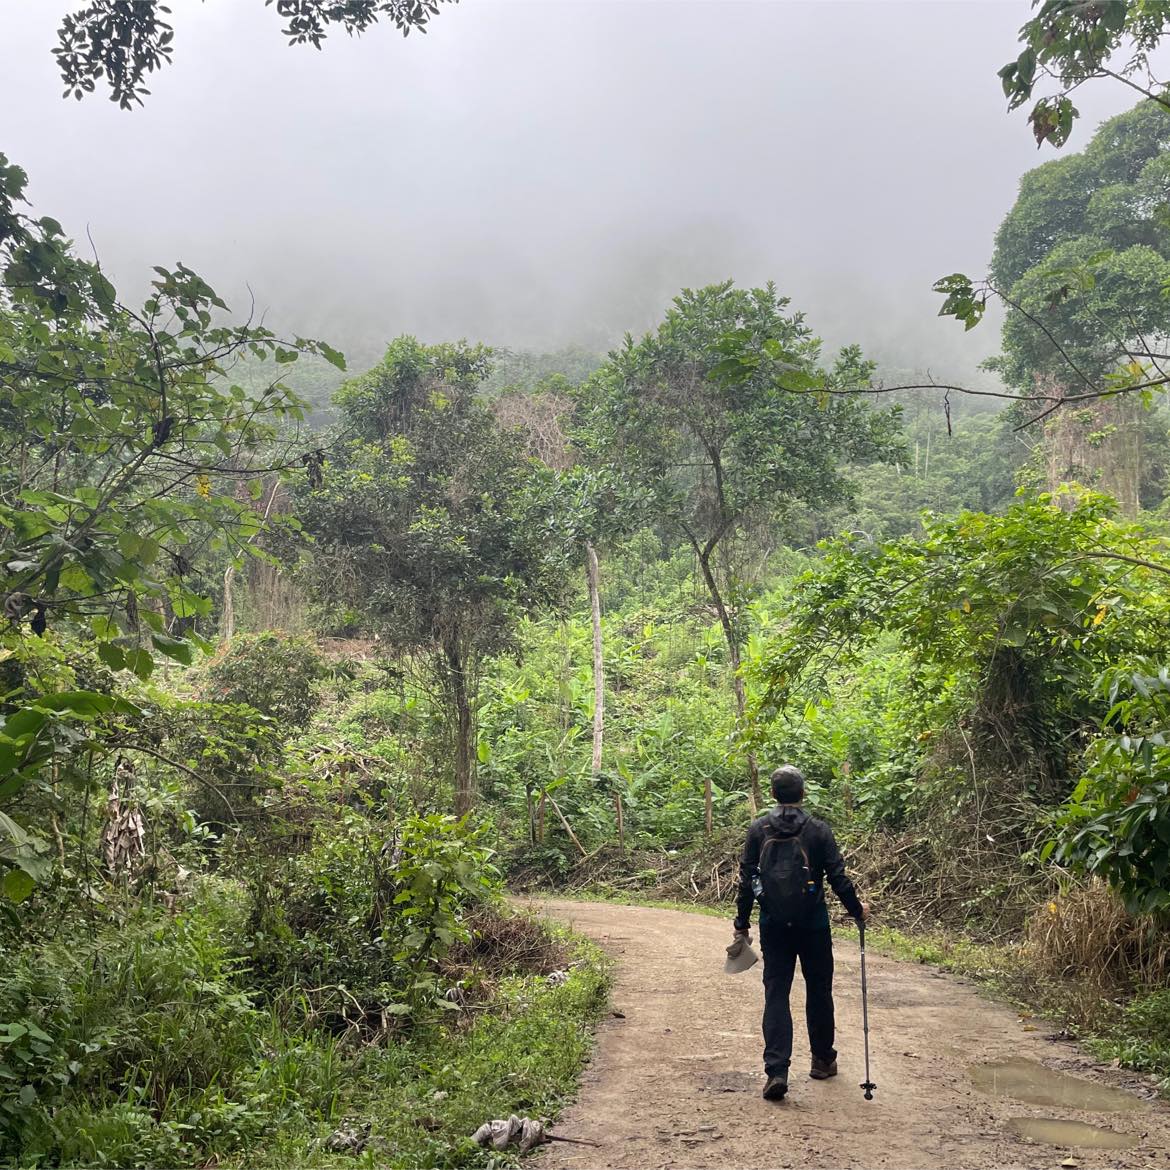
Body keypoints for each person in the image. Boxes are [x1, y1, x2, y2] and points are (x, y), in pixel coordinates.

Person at [732, 764, 868, 1101]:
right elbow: (837, 877)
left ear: (772, 794)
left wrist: (742, 922)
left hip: (774, 924)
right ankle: (822, 1060)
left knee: (776, 993)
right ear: (803, 793)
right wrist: (857, 910)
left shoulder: (758, 829)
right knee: (819, 990)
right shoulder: (818, 830)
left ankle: (777, 1071)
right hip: (813, 923)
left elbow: (748, 880)